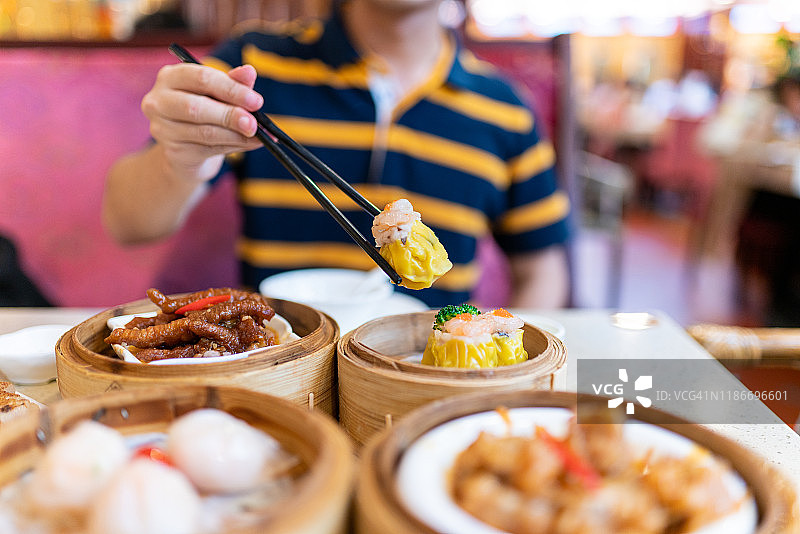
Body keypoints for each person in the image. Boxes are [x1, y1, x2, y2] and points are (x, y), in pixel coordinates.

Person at [103, 0, 571, 308]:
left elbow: (541, 271)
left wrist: (498, 355)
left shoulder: (506, 111)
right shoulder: (255, 65)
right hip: (279, 359)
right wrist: (181, 158)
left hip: (426, 375)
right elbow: (128, 223)